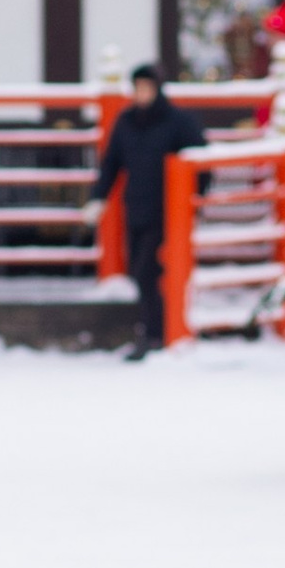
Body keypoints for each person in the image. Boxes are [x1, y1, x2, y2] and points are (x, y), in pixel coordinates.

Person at [91, 65, 205, 359]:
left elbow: (200, 163)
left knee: (149, 270)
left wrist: (195, 200)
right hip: (137, 207)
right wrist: (98, 198)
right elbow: (112, 163)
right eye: (138, 87)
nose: (142, 94)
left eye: (147, 87)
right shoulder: (127, 121)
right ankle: (155, 330)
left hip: (169, 211)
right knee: (140, 272)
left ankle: (158, 333)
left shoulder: (178, 122)